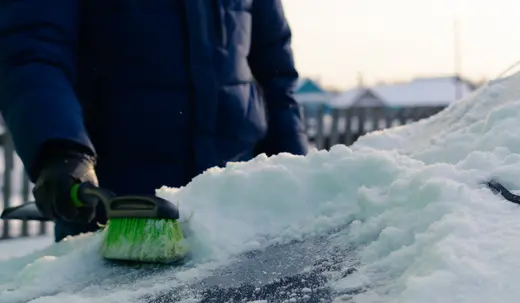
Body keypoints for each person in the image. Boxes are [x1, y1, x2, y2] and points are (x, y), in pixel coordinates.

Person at [0, 0, 309, 242]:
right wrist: (60, 148)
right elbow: (32, 51)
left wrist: (296, 173)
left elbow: (275, 67)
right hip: (116, 217)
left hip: (236, 214)